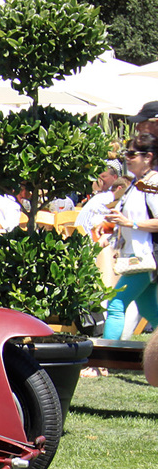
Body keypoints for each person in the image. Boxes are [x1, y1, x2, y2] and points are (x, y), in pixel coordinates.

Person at [103, 133, 158, 344]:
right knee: (149, 309)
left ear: (148, 157)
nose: (127, 157)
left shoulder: (153, 184)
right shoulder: (137, 183)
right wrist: (110, 226)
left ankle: (103, 361)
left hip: (145, 256)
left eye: (132, 153)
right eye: (126, 153)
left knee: (116, 303)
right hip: (137, 257)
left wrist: (130, 223)